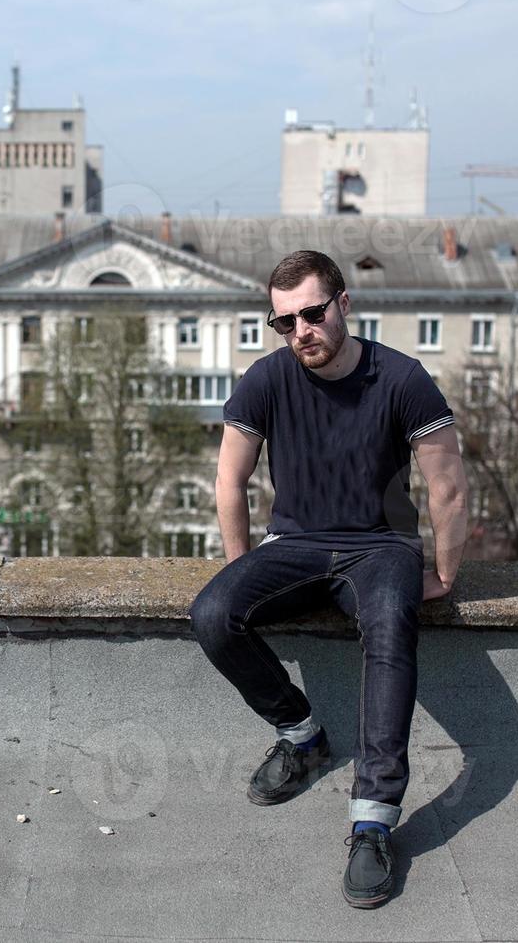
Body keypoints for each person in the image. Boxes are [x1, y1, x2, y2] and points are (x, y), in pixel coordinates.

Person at [189, 249, 468, 909]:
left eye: (311, 314)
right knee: (212, 613)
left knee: (389, 631)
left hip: (380, 547)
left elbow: (447, 488)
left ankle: (372, 819)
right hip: (295, 544)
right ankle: (301, 735)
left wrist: (446, 572)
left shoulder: (400, 378)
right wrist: (241, 571)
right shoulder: (266, 380)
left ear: (343, 304)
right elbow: (228, 481)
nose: (300, 332)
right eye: (284, 322)